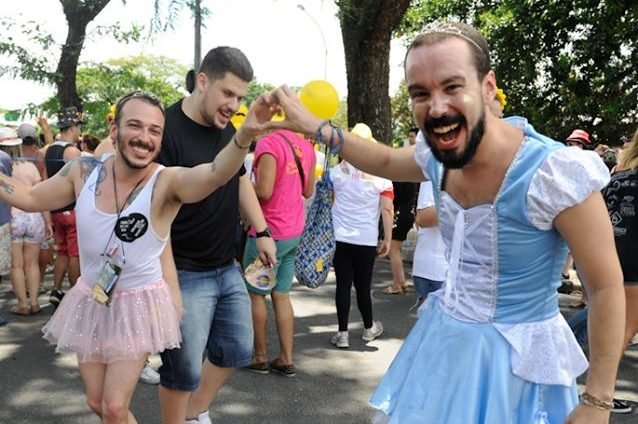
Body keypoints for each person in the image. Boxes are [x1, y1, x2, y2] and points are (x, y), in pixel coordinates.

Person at [266, 21, 625, 423]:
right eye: (421, 93)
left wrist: (597, 401)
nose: (436, 108)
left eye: (452, 87)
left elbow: (606, 287)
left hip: (518, 372)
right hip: (443, 346)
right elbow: (383, 159)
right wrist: (316, 128)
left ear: (488, 87)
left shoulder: (555, 173)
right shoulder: (436, 155)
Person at [0, 90, 275, 423]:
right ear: (114, 130)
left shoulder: (166, 182)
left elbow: (216, 173)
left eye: (155, 131)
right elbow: (28, 196)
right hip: (93, 297)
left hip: (139, 304)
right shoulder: (83, 172)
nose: (145, 138)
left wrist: (243, 135)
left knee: (114, 407)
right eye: (135, 126)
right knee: (97, 403)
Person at [157, 46, 277, 424]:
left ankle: (196, 411)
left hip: (226, 263)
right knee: (183, 369)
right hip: (182, 268)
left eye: (241, 97)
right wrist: (166, 280)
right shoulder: (166, 128)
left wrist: (262, 230)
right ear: (203, 81)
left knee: (237, 348)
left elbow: (239, 180)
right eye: (228, 94)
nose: (234, 104)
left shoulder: (230, 132)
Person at [243, 129, 315, 376]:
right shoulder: (305, 145)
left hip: (267, 234)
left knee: (256, 295)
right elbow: (308, 191)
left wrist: (240, 181)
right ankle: (285, 358)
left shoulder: (268, 143)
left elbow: (264, 191)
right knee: (282, 295)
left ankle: (260, 356)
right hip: (294, 232)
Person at [329, 123, 393, 349]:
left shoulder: (335, 173)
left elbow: (330, 202)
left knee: (343, 285)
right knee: (363, 286)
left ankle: (342, 334)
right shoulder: (381, 178)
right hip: (366, 238)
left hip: (340, 236)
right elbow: (387, 209)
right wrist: (387, 239)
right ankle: (368, 328)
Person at [0, 128, 51, 316]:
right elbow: (40, 195)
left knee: (17, 265)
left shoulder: (4, 167)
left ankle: (22, 304)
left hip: (13, 218)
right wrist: (48, 221)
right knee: (32, 264)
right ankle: (35, 302)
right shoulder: (30, 166)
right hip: (34, 217)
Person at [45, 107, 82, 307]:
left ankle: (56, 289)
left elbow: (44, 180)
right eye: (78, 127)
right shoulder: (72, 151)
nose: (79, 132)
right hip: (72, 209)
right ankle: (77, 293)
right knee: (75, 253)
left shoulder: (50, 149)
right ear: (72, 127)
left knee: (62, 252)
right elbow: (82, 182)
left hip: (55, 210)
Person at [383, 127, 418, 295]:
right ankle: (401, 280)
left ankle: (398, 283)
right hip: (409, 212)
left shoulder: (399, 174)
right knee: (397, 248)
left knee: (393, 249)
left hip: (400, 213)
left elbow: (393, 197)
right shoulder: (412, 172)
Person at [410, 181, 447, 314]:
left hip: (456, 271)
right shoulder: (436, 170)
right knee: (436, 332)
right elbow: (423, 218)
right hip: (436, 270)